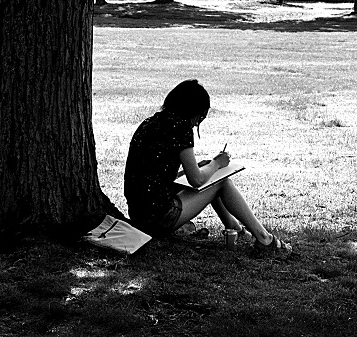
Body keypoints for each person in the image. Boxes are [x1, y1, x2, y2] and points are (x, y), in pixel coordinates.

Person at [123, 79, 291, 255]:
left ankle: (234, 227)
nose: (197, 123)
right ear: (192, 111)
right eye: (200, 117)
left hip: (139, 214)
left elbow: (154, 177)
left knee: (211, 177)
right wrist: (217, 163)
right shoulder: (180, 127)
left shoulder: (150, 123)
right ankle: (265, 239)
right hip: (158, 218)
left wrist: (205, 167)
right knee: (220, 183)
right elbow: (196, 180)